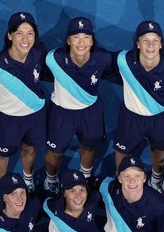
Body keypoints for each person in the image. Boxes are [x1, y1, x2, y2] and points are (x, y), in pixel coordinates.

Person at [0, 12, 49, 204]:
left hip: (35, 115)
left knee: (30, 149)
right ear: (10, 36)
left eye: (30, 33)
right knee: (2, 154)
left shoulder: (39, 53)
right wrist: (5, 103)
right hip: (7, 119)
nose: (25, 39)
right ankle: (0, 187)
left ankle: (28, 179)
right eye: (19, 33)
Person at [109, 21, 164, 191]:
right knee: (122, 150)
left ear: (160, 44)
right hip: (131, 117)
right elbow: (101, 62)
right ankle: (119, 179)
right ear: (137, 43)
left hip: (160, 118)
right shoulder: (123, 61)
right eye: (145, 40)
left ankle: (156, 179)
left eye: (155, 40)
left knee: (159, 149)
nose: (150, 45)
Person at [43, 17, 113, 193]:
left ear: (92, 41)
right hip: (61, 113)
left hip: (90, 112)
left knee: (89, 147)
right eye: (76, 37)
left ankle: (86, 176)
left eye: (86, 37)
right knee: (56, 153)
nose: (81, 42)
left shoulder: (103, 59)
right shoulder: (53, 59)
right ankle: (51, 180)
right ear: (68, 40)